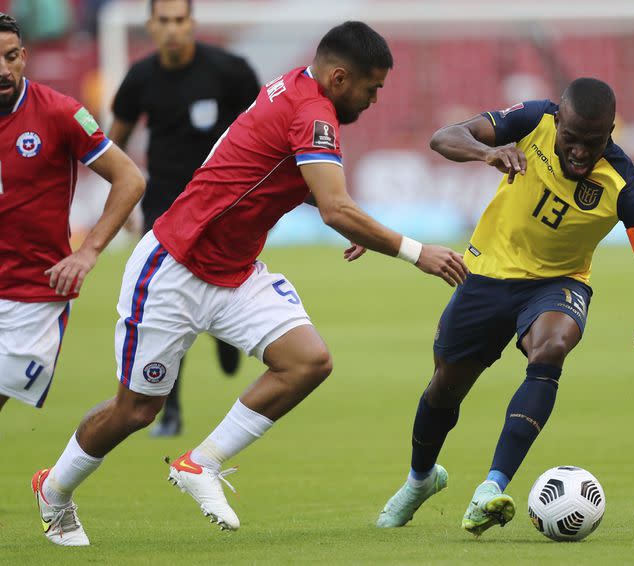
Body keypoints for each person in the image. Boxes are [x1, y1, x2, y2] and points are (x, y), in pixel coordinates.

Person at [31, 21, 468, 547]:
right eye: (372, 87)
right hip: (174, 269)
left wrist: (357, 221)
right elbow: (333, 207)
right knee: (137, 410)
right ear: (339, 77)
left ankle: (202, 463)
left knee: (308, 360)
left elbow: (293, 181)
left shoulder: (300, 90)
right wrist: (415, 252)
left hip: (235, 272)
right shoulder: (311, 111)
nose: (374, 99)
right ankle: (53, 490)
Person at [376, 78, 634, 536]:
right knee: (445, 387)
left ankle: (491, 488)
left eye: (593, 143)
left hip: (557, 283)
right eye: (572, 139)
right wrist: (488, 153)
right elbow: (444, 137)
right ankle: (420, 480)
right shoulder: (532, 119)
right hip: (486, 275)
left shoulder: (625, 184)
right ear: (557, 120)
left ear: (611, 132)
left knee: (552, 346)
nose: (580, 152)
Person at [109, 0, 262, 436]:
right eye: (165, 21)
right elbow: (113, 144)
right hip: (165, 205)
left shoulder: (230, 71)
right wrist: (121, 203)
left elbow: (265, 128)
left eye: (180, 20)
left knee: (218, 284)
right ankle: (169, 408)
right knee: (167, 307)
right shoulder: (140, 78)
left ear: (192, 23)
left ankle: (225, 336)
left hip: (225, 204)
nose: (173, 29)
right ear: (151, 26)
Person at [0, 13, 144, 413]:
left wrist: (89, 250)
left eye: (11, 57)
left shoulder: (59, 113)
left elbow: (129, 178)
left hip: (31, 298)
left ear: (24, 56)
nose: (3, 69)